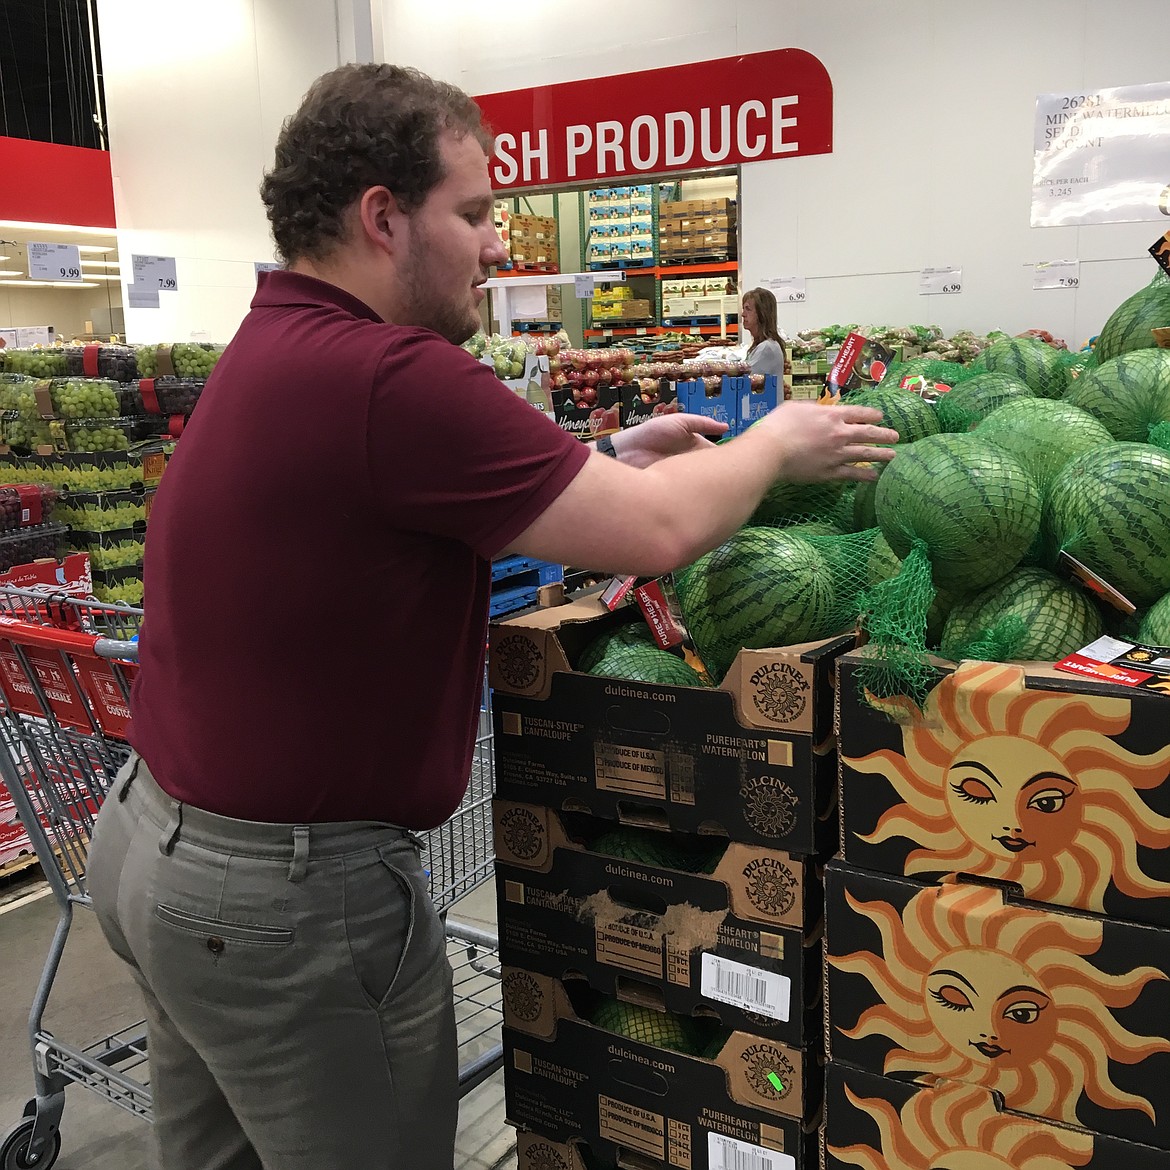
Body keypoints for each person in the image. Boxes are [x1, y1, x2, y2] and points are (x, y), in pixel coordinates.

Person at [85, 63, 897, 1170]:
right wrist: (776, 442)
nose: (500, 243)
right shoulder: (390, 375)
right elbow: (660, 533)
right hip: (289, 904)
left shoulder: (281, 343)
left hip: (158, 851)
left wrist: (606, 456)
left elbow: (413, 509)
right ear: (383, 217)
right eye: (472, 213)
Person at [741, 286, 787, 376]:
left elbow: (745, 379)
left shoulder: (766, 348)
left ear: (762, 313)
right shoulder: (762, 346)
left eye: (748, 309)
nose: (743, 314)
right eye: (743, 309)